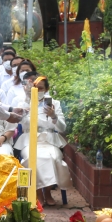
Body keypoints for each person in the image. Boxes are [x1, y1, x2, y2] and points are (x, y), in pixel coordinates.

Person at [13, 77, 73, 206]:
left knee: (53, 157)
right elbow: (18, 121)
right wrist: (27, 101)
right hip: (29, 141)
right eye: (35, 88)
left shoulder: (54, 103)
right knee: (32, 158)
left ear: (46, 89)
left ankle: (48, 192)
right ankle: (38, 193)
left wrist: (53, 116)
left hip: (49, 141)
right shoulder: (23, 102)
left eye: (41, 88)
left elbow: (62, 128)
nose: (38, 90)